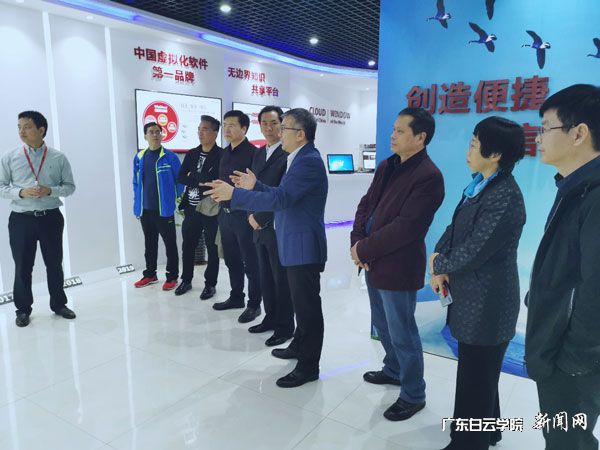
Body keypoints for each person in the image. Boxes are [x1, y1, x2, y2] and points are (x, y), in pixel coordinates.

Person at [204, 108, 328, 388]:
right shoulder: (298, 158)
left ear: (300, 134)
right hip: (293, 243)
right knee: (300, 304)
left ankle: (309, 366)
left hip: (303, 247)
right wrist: (256, 185)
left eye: (284, 128)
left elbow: (281, 200)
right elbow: (281, 195)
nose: (278, 132)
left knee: (307, 308)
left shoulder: (308, 161)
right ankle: (299, 346)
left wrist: (236, 194)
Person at [429, 117, 526, 450]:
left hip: (488, 303)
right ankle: (489, 431)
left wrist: (439, 264)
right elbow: (455, 229)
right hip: (472, 297)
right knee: (480, 374)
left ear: (495, 153)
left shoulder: (505, 196)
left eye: (473, 144)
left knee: (475, 377)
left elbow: (474, 250)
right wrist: (438, 257)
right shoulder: (480, 184)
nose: (468, 150)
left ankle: (468, 443)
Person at [350, 107, 444, 421]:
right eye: (393, 129)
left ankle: (413, 393)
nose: (393, 135)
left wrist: (363, 248)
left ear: (421, 137)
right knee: (383, 324)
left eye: (400, 131)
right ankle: (393, 369)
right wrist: (356, 240)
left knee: (403, 332)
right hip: (372, 261)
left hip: (398, 266)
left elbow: (407, 228)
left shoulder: (429, 176)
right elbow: (366, 204)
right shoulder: (388, 165)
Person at [525, 84, 600, 450]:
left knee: (568, 440)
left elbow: (596, 290)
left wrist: (573, 361)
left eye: (545, 128)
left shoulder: (595, 195)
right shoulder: (575, 187)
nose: (538, 138)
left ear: (579, 133)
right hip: (558, 348)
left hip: (571, 359)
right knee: (561, 436)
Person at [0, 110, 76, 327]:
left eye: (27, 127)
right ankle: (23, 310)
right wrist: (21, 192)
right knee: (23, 266)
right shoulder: (10, 157)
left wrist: (50, 190)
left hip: (50, 218)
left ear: (41, 130)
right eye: (19, 127)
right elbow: (1, 187)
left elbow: (70, 187)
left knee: (54, 263)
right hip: (21, 219)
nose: (21, 131)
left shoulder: (58, 157)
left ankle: (59, 304)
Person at [246, 106, 295, 347]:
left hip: (276, 224)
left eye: (274, 123)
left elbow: (282, 193)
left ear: (282, 125)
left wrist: (261, 216)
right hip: (257, 224)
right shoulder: (258, 153)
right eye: (264, 123)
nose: (268, 128)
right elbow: (252, 187)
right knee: (265, 275)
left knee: (281, 278)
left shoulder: (288, 155)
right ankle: (270, 317)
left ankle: (285, 327)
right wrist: (251, 214)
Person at [212, 110, 262, 324]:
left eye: (232, 125)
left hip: (244, 215)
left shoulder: (254, 153)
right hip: (224, 214)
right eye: (225, 125)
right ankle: (236, 297)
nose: (227, 129)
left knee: (251, 262)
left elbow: (257, 187)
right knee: (232, 259)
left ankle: (254, 304)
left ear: (244, 128)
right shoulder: (224, 152)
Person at [175, 115, 222, 299]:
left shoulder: (221, 155)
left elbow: (216, 180)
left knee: (212, 248)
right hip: (191, 208)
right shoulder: (192, 153)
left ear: (215, 133)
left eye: (205, 129)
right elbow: (181, 177)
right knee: (188, 245)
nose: (200, 133)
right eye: (199, 129)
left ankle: (210, 284)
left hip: (210, 209)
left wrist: (195, 177)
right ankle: (186, 280)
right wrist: (199, 179)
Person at [132, 122, 183, 291]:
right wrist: (137, 205)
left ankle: (172, 276)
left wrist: (177, 199)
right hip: (145, 210)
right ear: (145, 136)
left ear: (162, 135)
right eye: (151, 132)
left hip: (164, 209)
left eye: (157, 132)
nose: (155, 135)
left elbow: (180, 181)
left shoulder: (170, 157)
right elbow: (135, 183)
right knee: (150, 244)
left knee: (170, 244)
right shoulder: (139, 157)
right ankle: (150, 274)